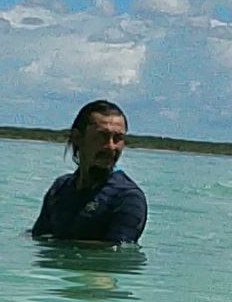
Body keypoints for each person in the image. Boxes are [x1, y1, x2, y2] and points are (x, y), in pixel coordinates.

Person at [31, 100, 147, 244]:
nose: (111, 146)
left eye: (118, 138)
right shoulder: (60, 189)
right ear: (77, 138)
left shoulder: (127, 198)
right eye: (102, 136)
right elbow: (38, 238)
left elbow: (114, 254)